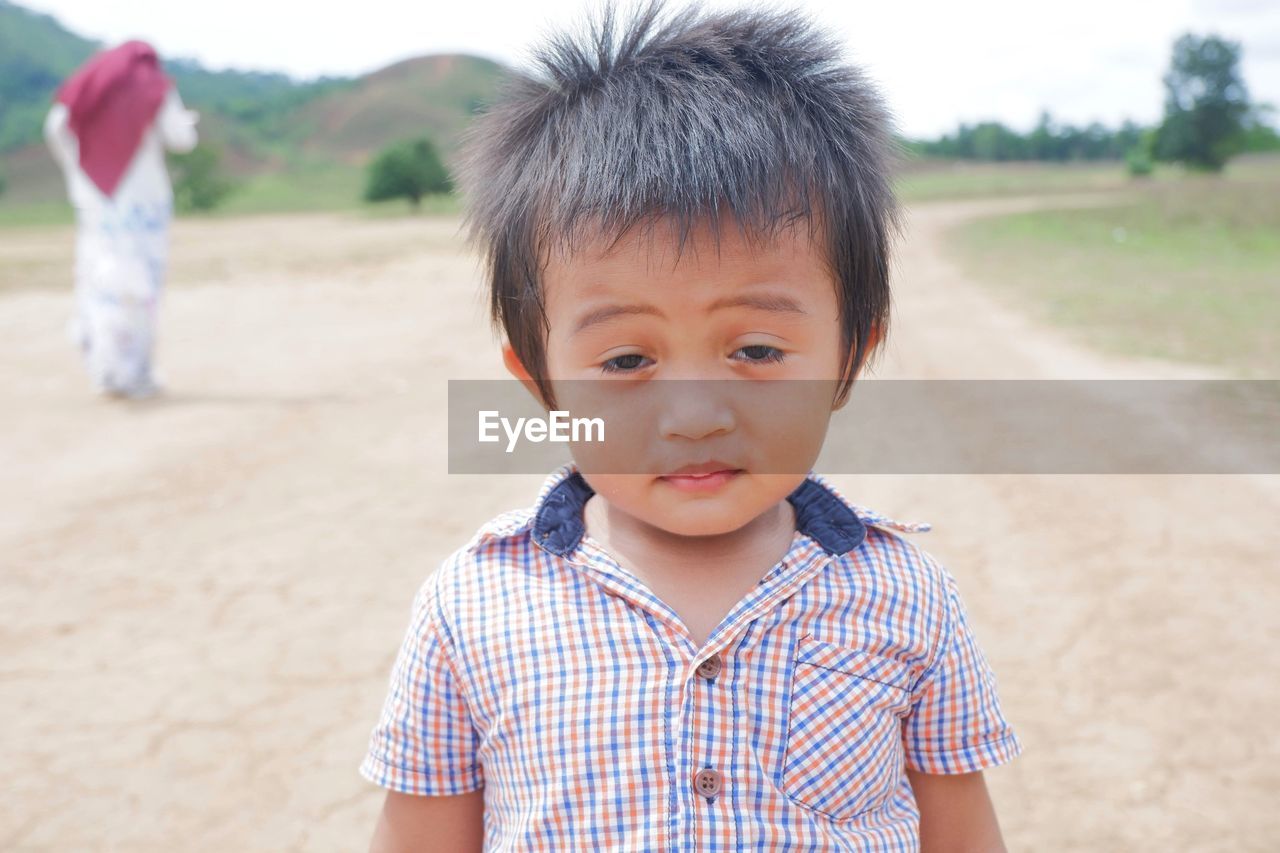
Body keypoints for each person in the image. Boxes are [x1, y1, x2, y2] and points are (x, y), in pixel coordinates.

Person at [361, 3, 1022, 850]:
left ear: (851, 355)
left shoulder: (908, 599)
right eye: (627, 362)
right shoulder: (471, 609)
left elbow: (961, 833)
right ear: (541, 381)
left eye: (754, 347)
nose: (696, 416)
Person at [44, 40, 198, 399]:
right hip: (143, 207)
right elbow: (181, 138)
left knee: (100, 283)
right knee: (139, 290)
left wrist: (78, 172)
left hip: (95, 204)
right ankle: (135, 374)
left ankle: (104, 370)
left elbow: (55, 128)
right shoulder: (153, 87)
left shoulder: (84, 88)